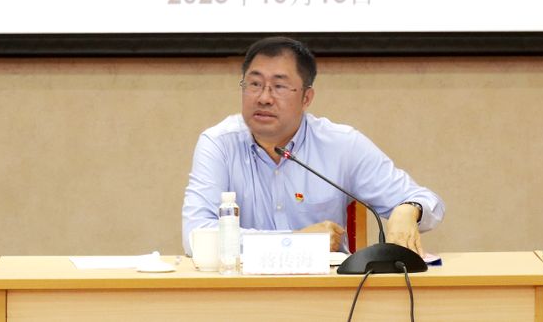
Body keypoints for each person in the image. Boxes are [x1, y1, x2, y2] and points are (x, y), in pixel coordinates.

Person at [182, 36, 445, 256]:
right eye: (254, 84)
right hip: (243, 291)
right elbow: (196, 235)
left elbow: (428, 201)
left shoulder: (341, 145)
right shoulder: (219, 144)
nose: (264, 98)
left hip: (327, 292)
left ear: (306, 98)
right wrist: (295, 241)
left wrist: (409, 210)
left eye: (279, 86)